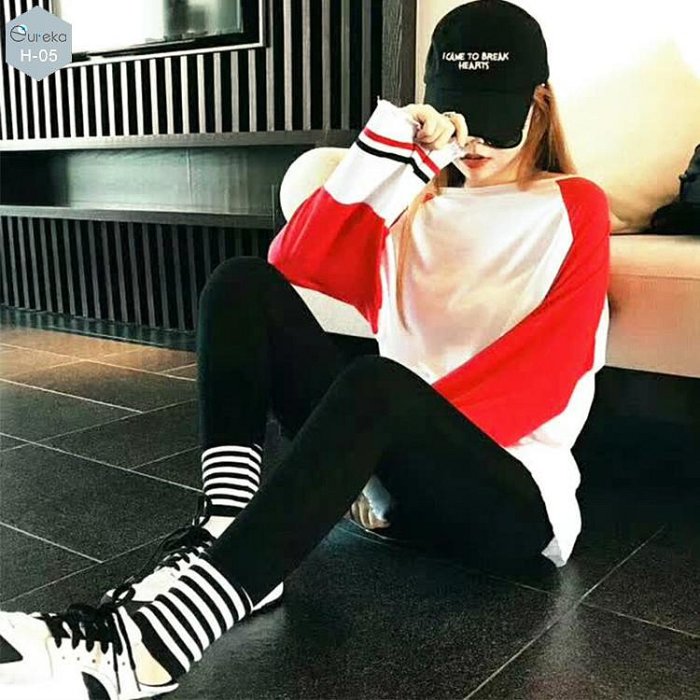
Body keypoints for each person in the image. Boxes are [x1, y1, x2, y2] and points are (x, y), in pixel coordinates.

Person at [0, 1, 611, 698]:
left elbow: (548, 376)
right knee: (240, 283)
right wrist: (393, 152)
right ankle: (229, 534)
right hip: (394, 476)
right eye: (459, 114)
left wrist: (369, 451)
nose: (473, 140)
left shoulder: (576, 206)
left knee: (378, 386)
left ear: (538, 104)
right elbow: (296, 263)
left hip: (508, 506)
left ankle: (153, 646)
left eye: (494, 116)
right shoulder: (413, 205)